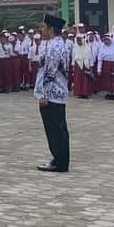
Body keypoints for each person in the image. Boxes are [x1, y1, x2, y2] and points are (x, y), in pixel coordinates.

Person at [35, 14, 71, 173]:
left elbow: (50, 72)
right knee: (59, 129)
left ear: (51, 30)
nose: (42, 30)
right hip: (58, 92)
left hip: (53, 94)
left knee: (55, 130)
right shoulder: (58, 44)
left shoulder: (54, 46)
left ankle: (59, 162)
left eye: (44, 27)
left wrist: (43, 94)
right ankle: (60, 160)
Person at [96, 33, 114, 100]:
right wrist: (99, 69)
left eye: (107, 40)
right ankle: (108, 93)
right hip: (106, 65)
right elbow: (100, 59)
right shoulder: (102, 48)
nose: (106, 42)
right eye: (105, 40)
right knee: (106, 79)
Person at [71, 33, 94, 99]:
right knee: (78, 80)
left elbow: (90, 58)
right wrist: (73, 66)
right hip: (78, 65)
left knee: (85, 80)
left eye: (80, 40)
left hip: (85, 65)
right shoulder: (75, 47)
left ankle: (86, 93)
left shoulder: (87, 48)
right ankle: (79, 93)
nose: (79, 42)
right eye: (77, 40)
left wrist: (91, 66)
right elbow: (73, 57)